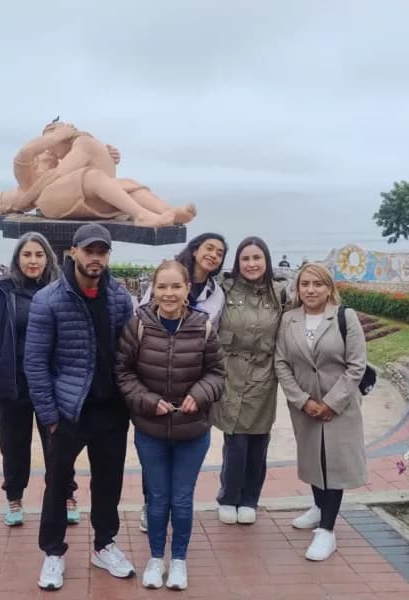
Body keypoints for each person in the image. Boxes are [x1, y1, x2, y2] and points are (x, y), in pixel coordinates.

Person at [25, 223, 135, 591]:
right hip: (68, 412)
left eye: (102, 252)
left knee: (109, 484)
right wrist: (51, 417)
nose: (95, 258)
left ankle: (104, 545)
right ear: (73, 252)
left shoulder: (119, 298)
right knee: (57, 485)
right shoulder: (50, 299)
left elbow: (128, 354)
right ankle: (53, 552)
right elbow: (35, 364)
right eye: (89, 251)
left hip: (111, 411)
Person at [116, 260, 225, 591]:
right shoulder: (139, 325)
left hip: (193, 430)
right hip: (151, 430)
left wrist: (199, 394)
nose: (169, 293)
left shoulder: (203, 326)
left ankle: (178, 560)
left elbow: (217, 373)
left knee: (181, 497)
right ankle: (154, 559)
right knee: (158, 497)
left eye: (176, 286)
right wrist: (149, 401)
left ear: (187, 289)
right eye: (162, 286)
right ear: (153, 289)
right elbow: (123, 372)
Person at [0, 232, 80, 527]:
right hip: (13, 385)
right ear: (17, 258)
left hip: (53, 385)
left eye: (39, 254)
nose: (33, 260)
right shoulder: (2, 290)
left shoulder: (61, 289)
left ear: (48, 258)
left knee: (59, 445)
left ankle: (65, 494)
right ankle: (14, 496)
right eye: (27, 254)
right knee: (13, 446)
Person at [274, 262, 368, 561]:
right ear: (297, 288)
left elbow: (356, 366)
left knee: (334, 463)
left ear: (329, 288)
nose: (311, 290)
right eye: (305, 284)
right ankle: (318, 508)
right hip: (305, 406)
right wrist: (302, 400)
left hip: (339, 406)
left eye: (317, 284)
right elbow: (281, 363)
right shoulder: (289, 319)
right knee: (314, 457)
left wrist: (331, 403)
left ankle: (327, 530)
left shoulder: (345, 317)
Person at [136, 232, 228, 531]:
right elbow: (145, 319)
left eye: (220, 252)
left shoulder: (216, 294)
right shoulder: (168, 275)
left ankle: (177, 526)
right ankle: (150, 506)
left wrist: (202, 390)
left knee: (182, 476)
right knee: (154, 460)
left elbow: (214, 346)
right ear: (196, 248)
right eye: (209, 248)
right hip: (156, 382)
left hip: (192, 387)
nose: (213, 255)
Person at [0, 121, 196, 227]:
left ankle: (167, 212)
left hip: (64, 198)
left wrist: (103, 156)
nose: (53, 153)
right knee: (92, 176)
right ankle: (141, 215)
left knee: (124, 184)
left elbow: (69, 171)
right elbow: (25, 152)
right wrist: (55, 137)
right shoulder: (27, 172)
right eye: (47, 150)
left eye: (54, 151)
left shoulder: (57, 174)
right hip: (49, 202)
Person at [211, 237, 286, 525]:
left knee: (258, 440)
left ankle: (250, 498)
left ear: (266, 261)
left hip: (264, 374)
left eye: (257, 258)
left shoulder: (279, 293)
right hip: (231, 372)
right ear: (237, 262)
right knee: (235, 439)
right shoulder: (224, 289)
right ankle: (229, 496)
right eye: (245, 258)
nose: (251, 264)